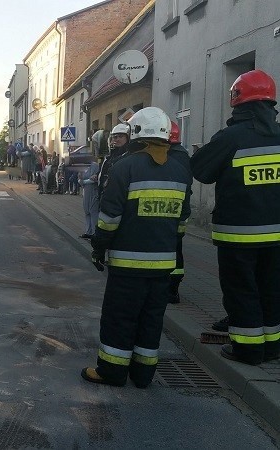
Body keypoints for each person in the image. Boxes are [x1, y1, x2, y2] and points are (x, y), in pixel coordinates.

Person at [82, 107, 192, 388]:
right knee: (151, 320)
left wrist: (99, 247)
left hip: (128, 266)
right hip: (163, 266)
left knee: (120, 318)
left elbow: (109, 219)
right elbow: (182, 221)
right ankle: (143, 375)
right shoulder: (180, 170)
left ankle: (111, 372)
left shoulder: (125, 167)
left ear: (136, 135)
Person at [190, 69, 280, 365]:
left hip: (240, 233)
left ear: (237, 102)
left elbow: (201, 171)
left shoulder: (231, 137)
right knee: (271, 288)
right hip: (277, 235)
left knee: (242, 290)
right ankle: (272, 347)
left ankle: (248, 349)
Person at [168, 121, 192, 304]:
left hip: (170, 212)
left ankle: (170, 289)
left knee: (171, 250)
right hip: (180, 212)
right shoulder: (182, 154)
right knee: (176, 249)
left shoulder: (169, 156)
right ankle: (173, 289)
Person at [97, 123, 130, 198]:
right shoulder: (109, 157)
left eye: (120, 137)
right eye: (115, 137)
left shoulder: (129, 156)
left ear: (128, 138)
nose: (117, 139)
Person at [78, 158, 100, 239]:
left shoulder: (95, 166)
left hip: (93, 191)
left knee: (93, 211)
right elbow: (79, 179)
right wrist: (81, 180)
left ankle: (95, 233)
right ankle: (88, 232)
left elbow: (94, 179)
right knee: (86, 211)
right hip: (85, 191)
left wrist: (83, 181)